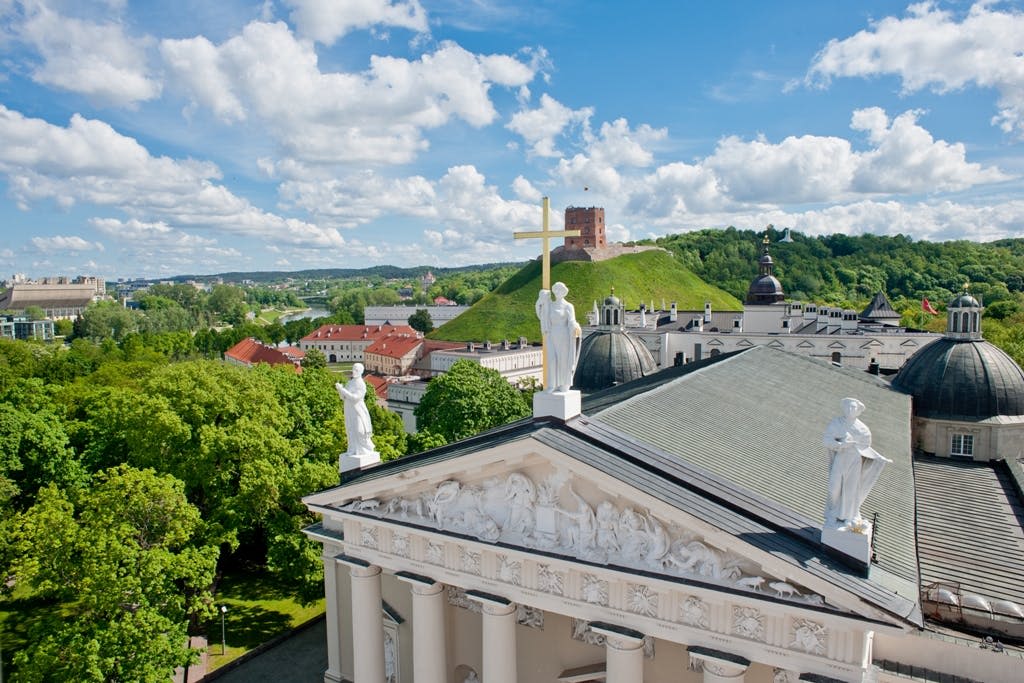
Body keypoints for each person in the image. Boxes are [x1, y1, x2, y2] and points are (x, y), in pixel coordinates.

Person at [822, 397, 891, 530]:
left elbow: (865, 448)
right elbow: (826, 440)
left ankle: (848, 517)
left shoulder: (862, 429)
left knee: (850, 490)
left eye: (853, 407)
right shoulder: (837, 423)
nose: (850, 409)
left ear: (858, 411)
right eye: (847, 407)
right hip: (840, 458)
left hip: (854, 461)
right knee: (833, 487)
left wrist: (878, 457)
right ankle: (831, 513)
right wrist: (841, 444)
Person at [535, 282, 582, 392]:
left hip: (564, 335)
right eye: (555, 290)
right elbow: (540, 315)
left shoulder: (568, 306)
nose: (557, 292)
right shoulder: (550, 305)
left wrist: (576, 326)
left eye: (559, 290)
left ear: (564, 292)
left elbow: (571, 321)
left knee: (563, 360)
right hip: (551, 335)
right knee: (551, 359)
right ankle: (552, 385)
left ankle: (563, 384)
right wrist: (539, 301)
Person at [336, 363, 376, 456]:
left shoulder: (361, 384)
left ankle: (365, 448)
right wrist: (339, 389)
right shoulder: (349, 383)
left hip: (358, 409)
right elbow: (343, 397)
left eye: (356, 370)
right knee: (350, 429)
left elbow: (355, 398)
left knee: (360, 430)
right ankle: (353, 449)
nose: (354, 372)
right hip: (349, 409)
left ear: (361, 372)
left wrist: (343, 390)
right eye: (353, 369)